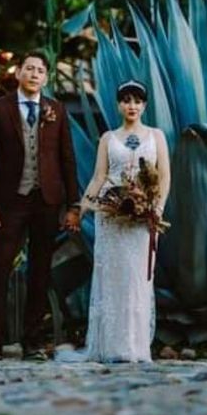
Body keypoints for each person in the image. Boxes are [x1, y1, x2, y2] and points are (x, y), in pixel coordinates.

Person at [0, 49, 80, 360]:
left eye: (40, 71)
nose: (34, 74)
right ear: (18, 73)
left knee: (40, 271)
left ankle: (31, 341)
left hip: (47, 202)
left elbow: (67, 160)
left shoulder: (57, 110)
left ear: (46, 77)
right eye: (29, 69)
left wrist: (73, 204)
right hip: (9, 202)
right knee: (0, 268)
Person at [76, 80, 170, 363]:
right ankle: (110, 346)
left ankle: (135, 347)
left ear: (144, 105)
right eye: (126, 100)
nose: (132, 106)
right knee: (113, 278)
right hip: (111, 216)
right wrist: (80, 209)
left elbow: (164, 176)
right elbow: (99, 177)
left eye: (137, 101)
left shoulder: (156, 136)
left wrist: (156, 208)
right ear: (118, 105)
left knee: (137, 279)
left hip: (142, 218)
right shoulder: (108, 138)